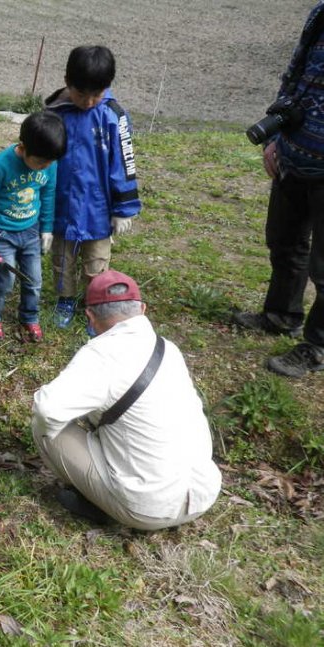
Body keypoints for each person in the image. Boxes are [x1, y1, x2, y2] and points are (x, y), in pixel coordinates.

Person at [31, 270, 222, 530]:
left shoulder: (101, 355)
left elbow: (47, 409)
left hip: (149, 510)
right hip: (203, 493)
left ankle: (103, 502)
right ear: (142, 308)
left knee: (45, 426)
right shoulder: (168, 348)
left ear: (89, 316)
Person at [233, 2, 324, 378]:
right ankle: (281, 314)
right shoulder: (320, 15)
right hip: (294, 154)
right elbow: (294, 75)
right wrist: (278, 137)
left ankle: (317, 346)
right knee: (284, 240)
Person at [45, 46, 141, 331]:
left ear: (107, 87)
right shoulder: (55, 112)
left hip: (98, 210)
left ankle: (95, 304)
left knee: (96, 263)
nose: (87, 102)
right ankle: (65, 299)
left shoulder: (113, 117)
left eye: (95, 95)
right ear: (67, 81)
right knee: (62, 260)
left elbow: (123, 163)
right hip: (62, 205)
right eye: (80, 94)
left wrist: (123, 209)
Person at [0, 111, 67, 343]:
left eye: (49, 163)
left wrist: (46, 228)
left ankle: (29, 317)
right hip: (1, 234)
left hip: (31, 230)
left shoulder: (48, 164)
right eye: (40, 162)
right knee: (5, 280)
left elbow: (48, 193)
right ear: (23, 148)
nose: (44, 167)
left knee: (34, 280)